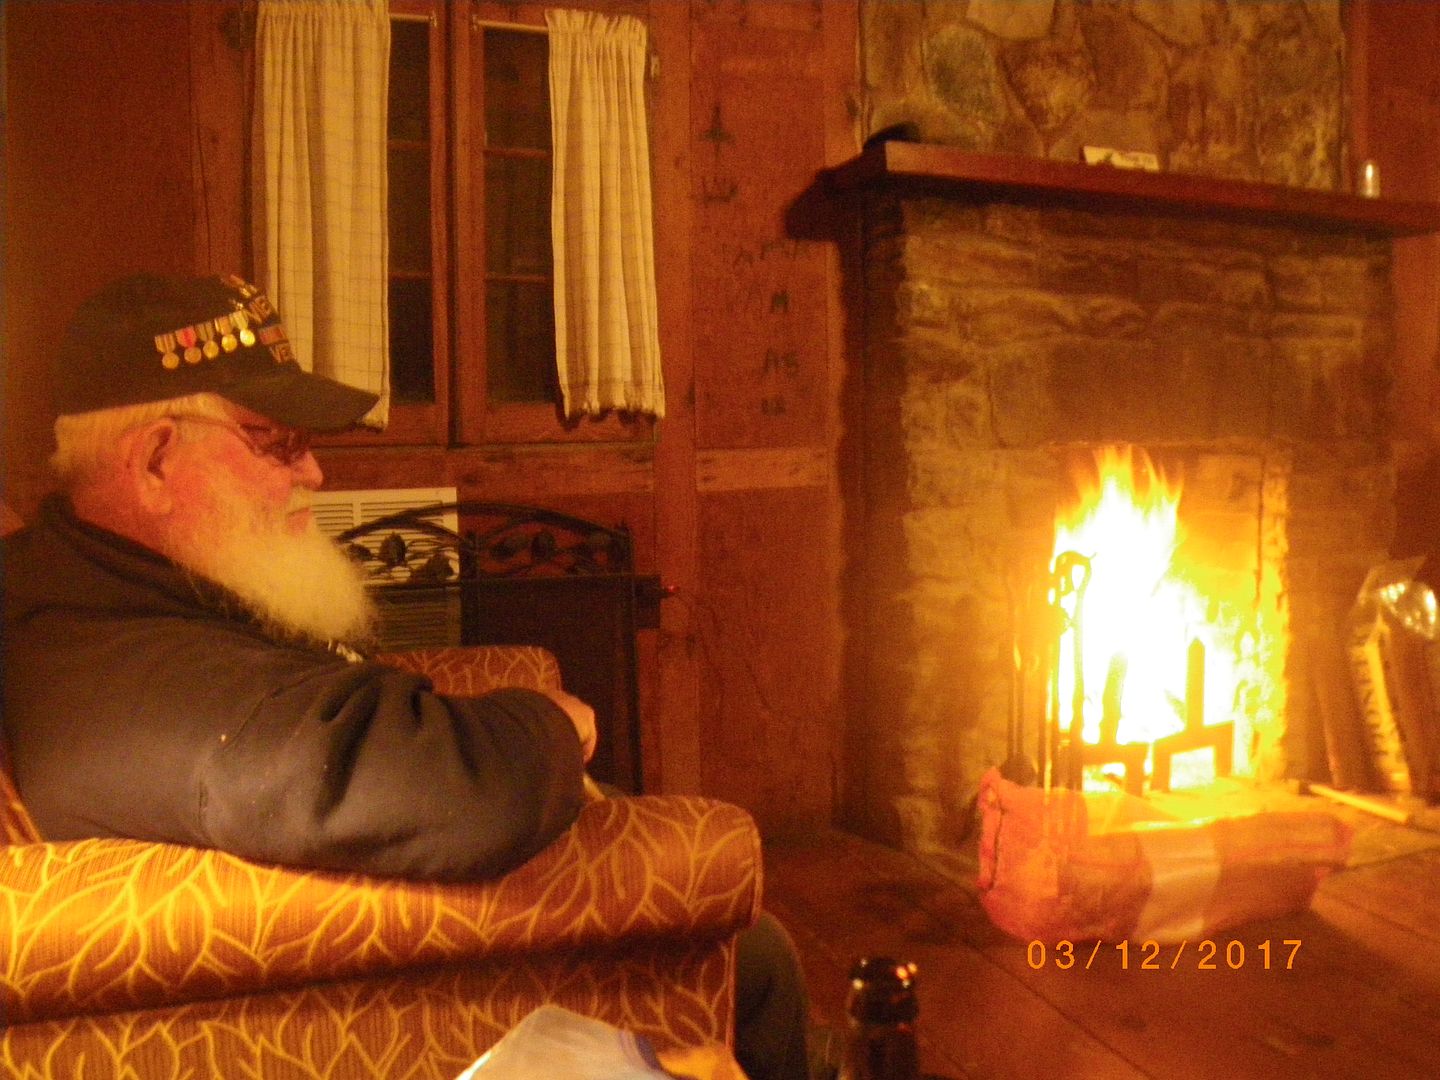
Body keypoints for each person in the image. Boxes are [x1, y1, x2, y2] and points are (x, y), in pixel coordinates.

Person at [1, 273, 811, 1080]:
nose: (313, 472)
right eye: (277, 442)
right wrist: (551, 723)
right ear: (154, 461)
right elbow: (447, 787)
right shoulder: (119, 679)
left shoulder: (101, 578)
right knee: (759, 956)